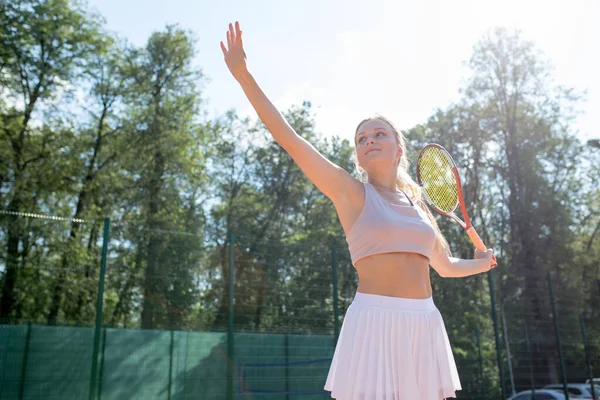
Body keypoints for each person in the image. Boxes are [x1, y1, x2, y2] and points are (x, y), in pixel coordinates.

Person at [220, 21, 496, 400]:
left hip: (425, 323)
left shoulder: (419, 206)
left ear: (399, 148)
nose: (369, 140)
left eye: (379, 134)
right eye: (361, 139)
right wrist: (243, 76)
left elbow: (445, 266)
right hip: (373, 322)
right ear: (358, 156)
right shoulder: (350, 193)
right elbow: (291, 140)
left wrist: (482, 262)